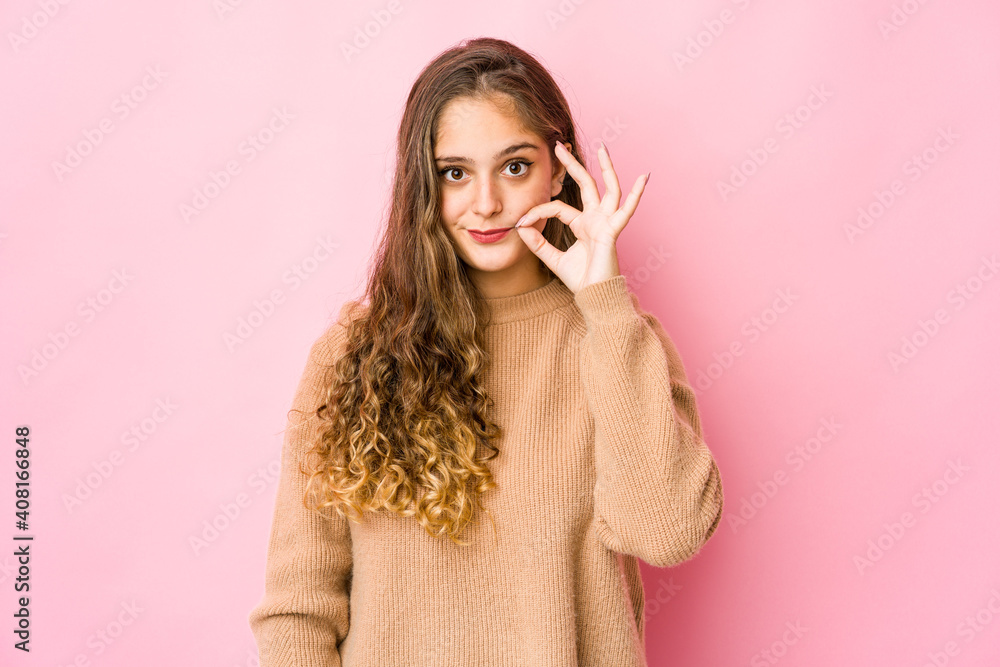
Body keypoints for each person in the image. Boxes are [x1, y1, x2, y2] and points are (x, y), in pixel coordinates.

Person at [248, 36, 724, 667]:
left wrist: (604, 305)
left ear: (559, 169)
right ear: (422, 185)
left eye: (516, 166)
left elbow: (666, 532)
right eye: (455, 173)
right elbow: (298, 610)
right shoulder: (351, 356)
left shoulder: (620, 341)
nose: (487, 203)